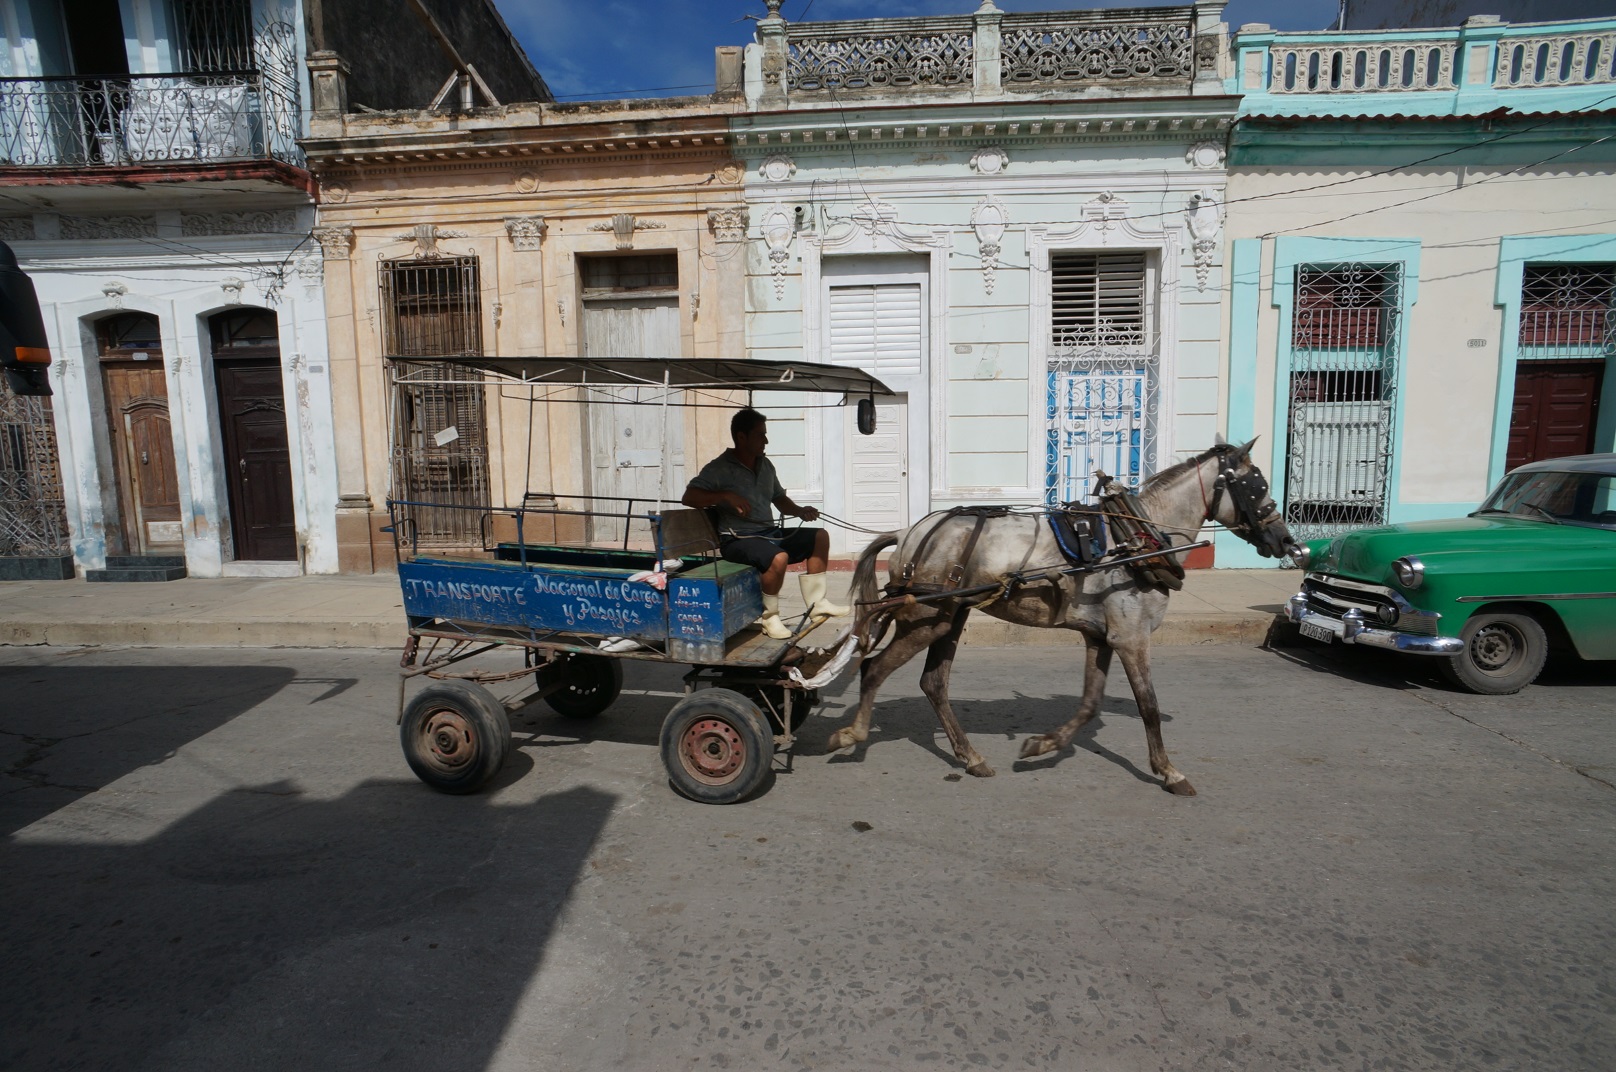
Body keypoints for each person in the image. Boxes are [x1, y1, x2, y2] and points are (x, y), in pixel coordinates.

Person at [682, 407, 849, 639]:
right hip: (737, 539)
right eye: (761, 435)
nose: (766, 441)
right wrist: (724, 496)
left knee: (820, 536)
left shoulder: (766, 465)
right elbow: (689, 497)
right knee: (778, 557)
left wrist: (800, 511)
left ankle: (817, 604)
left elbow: (779, 499)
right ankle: (769, 618)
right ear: (742, 437)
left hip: (768, 533)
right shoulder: (719, 468)